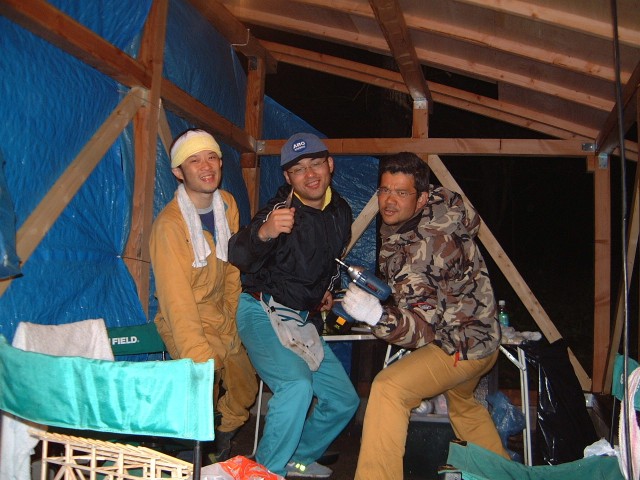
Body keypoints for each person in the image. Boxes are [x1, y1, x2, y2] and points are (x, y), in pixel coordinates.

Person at [342, 152, 510, 480]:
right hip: (485, 338)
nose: (389, 201)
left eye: (401, 193)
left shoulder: (427, 248)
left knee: (389, 388)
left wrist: (376, 316)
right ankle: (503, 476)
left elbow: (423, 330)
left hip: (459, 347)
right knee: (465, 406)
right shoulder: (441, 206)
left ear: (420, 198)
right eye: (385, 190)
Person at [228, 132, 360, 478]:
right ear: (288, 177)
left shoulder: (341, 211)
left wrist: (326, 290)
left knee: (343, 399)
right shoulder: (279, 211)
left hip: (301, 320)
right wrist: (265, 232)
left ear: (330, 164)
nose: (310, 174)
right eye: (299, 169)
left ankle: (296, 457)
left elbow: (329, 261)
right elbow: (238, 254)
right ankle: (262, 472)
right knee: (296, 386)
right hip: (261, 309)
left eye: (316, 163)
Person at [149, 129, 258, 462]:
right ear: (178, 171)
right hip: (185, 320)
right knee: (201, 396)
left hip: (220, 314)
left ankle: (222, 434)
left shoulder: (226, 204)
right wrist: (200, 359)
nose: (206, 166)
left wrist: (232, 317)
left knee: (246, 389)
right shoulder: (170, 226)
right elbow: (176, 302)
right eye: (194, 160)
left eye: (212, 157)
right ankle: (193, 456)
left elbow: (232, 268)